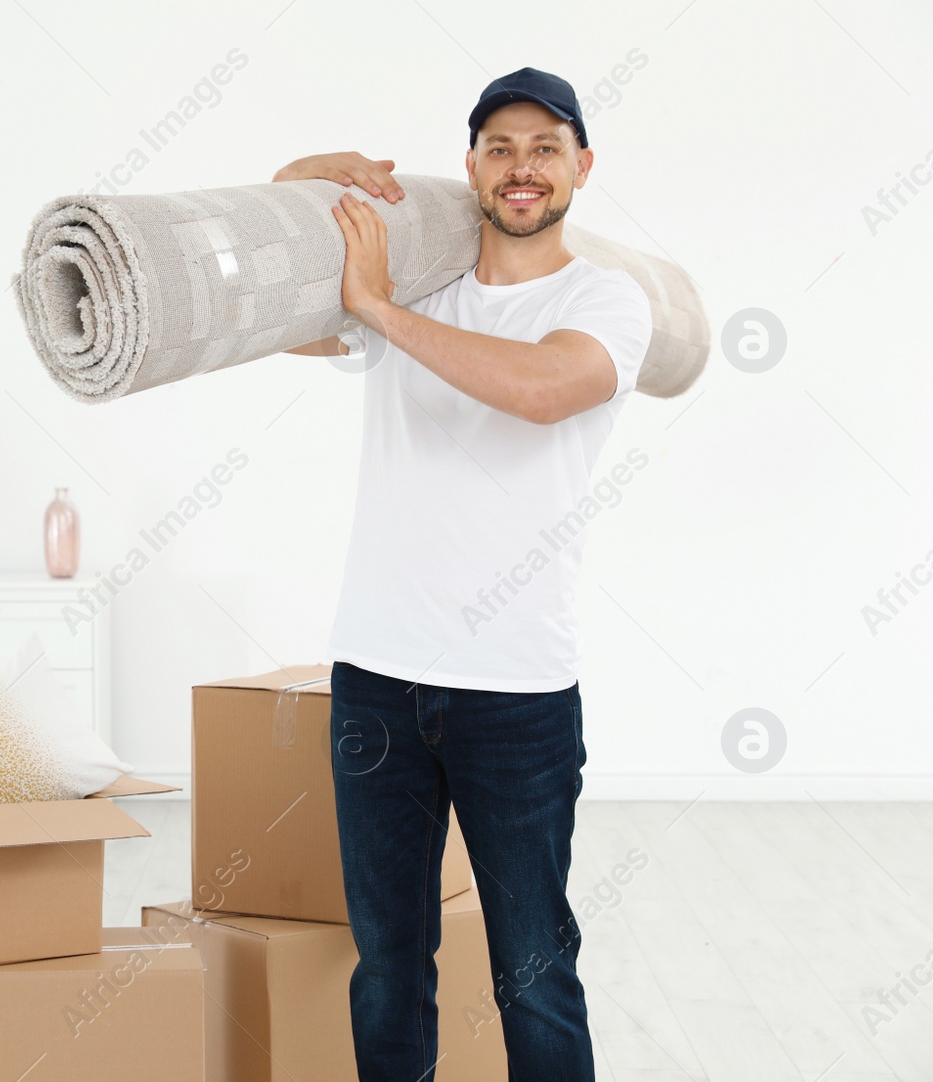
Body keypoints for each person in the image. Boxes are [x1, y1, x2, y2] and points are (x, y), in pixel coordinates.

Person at [276, 68, 653, 1081]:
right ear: (472, 167)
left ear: (579, 165)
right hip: (376, 681)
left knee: (531, 971)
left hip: (517, 695)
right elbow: (282, 309)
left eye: (543, 147)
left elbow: (537, 389)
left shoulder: (605, 301)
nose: (521, 167)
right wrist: (306, 178)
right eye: (499, 146)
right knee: (388, 962)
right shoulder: (418, 286)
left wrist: (375, 305)